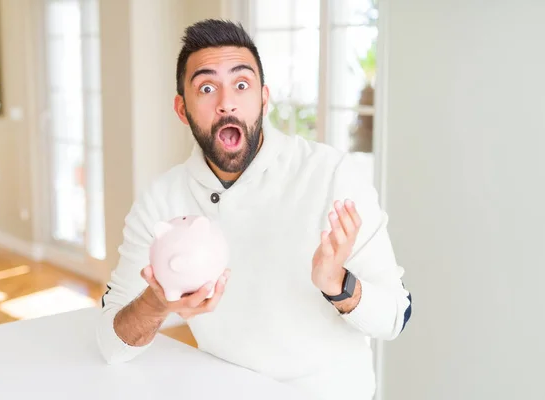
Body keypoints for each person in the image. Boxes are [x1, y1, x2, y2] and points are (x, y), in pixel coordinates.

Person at [96, 18, 412, 400]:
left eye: (241, 85)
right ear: (182, 109)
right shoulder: (161, 201)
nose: (226, 102)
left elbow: (396, 316)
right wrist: (156, 302)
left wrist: (338, 283)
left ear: (264, 97)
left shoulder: (332, 174)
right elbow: (111, 345)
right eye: (207, 87)